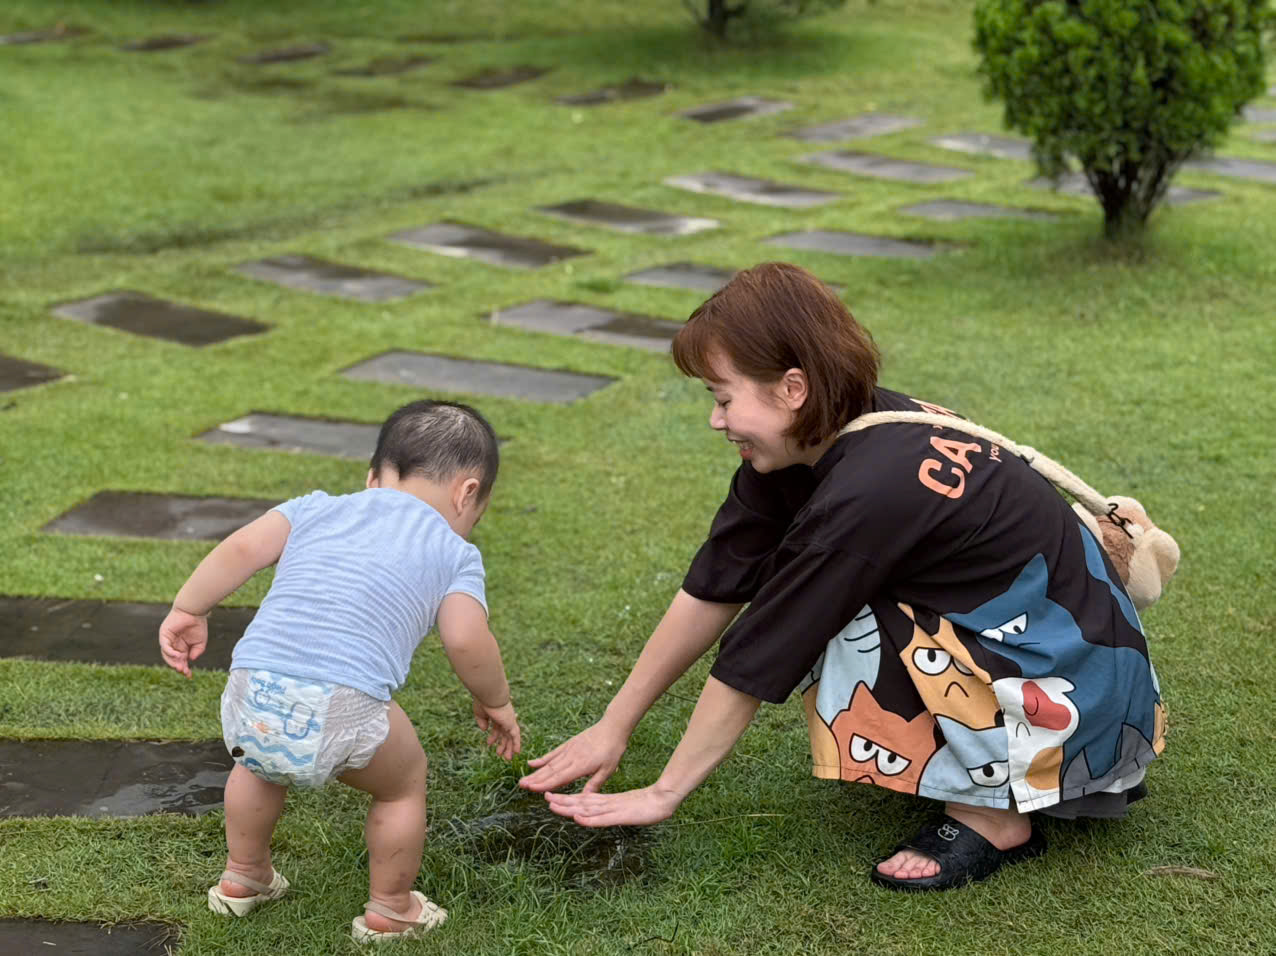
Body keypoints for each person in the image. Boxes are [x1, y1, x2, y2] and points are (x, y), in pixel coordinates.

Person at [520, 262, 1166, 892]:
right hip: (1075, 671)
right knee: (833, 601)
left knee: (844, 618)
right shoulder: (811, 442)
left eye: (722, 397)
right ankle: (999, 772)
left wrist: (665, 793)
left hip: (1079, 698)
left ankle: (995, 818)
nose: (716, 420)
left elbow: (767, 645)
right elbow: (716, 583)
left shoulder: (869, 490)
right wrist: (615, 723)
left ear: (792, 389)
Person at [159, 399, 521, 940]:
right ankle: (391, 908)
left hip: (253, 684)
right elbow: (467, 638)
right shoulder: (452, 549)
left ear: (373, 477)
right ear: (468, 493)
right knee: (402, 784)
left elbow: (241, 547)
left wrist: (189, 609)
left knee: (256, 766)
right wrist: (495, 700)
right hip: (343, 703)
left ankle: (244, 877)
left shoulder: (315, 507)